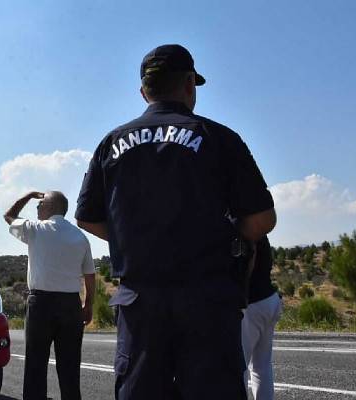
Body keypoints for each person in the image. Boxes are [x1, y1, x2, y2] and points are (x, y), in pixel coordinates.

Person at [75, 44, 276, 400]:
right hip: (208, 303)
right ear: (188, 85)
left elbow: (87, 218)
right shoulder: (219, 138)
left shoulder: (111, 143)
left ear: (143, 92)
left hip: (140, 306)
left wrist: (131, 240)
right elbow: (262, 219)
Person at [4, 190, 96, 400]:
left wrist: (26, 195)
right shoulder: (80, 237)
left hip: (41, 305)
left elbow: (9, 216)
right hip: (71, 305)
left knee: (35, 366)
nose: (37, 207)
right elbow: (90, 275)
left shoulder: (36, 229)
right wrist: (88, 305)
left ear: (50, 207)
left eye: (40, 203)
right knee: (70, 368)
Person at [243, 236, 282, 400]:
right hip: (269, 298)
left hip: (251, 304)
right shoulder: (260, 231)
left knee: (240, 366)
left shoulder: (240, 229)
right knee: (262, 366)